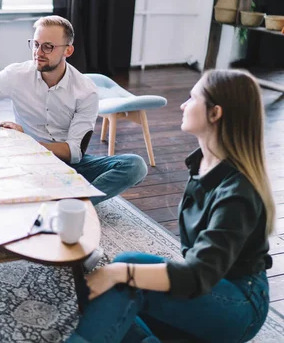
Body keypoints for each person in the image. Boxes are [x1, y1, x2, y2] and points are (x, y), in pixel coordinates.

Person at [68, 69, 274, 343]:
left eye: (192, 98)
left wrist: (120, 273)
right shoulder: (202, 164)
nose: (183, 104)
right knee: (109, 285)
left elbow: (199, 275)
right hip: (211, 287)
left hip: (239, 305)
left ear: (215, 113)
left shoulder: (238, 193)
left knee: (125, 272)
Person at [0, 15, 147, 204]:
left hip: (65, 164)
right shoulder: (16, 75)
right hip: (26, 162)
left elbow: (75, 152)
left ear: (68, 50)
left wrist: (28, 141)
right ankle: (65, 200)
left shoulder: (85, 90)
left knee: (135, 166)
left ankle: (71, 205)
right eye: (35, 44)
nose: (38, 52)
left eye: (48, 47)